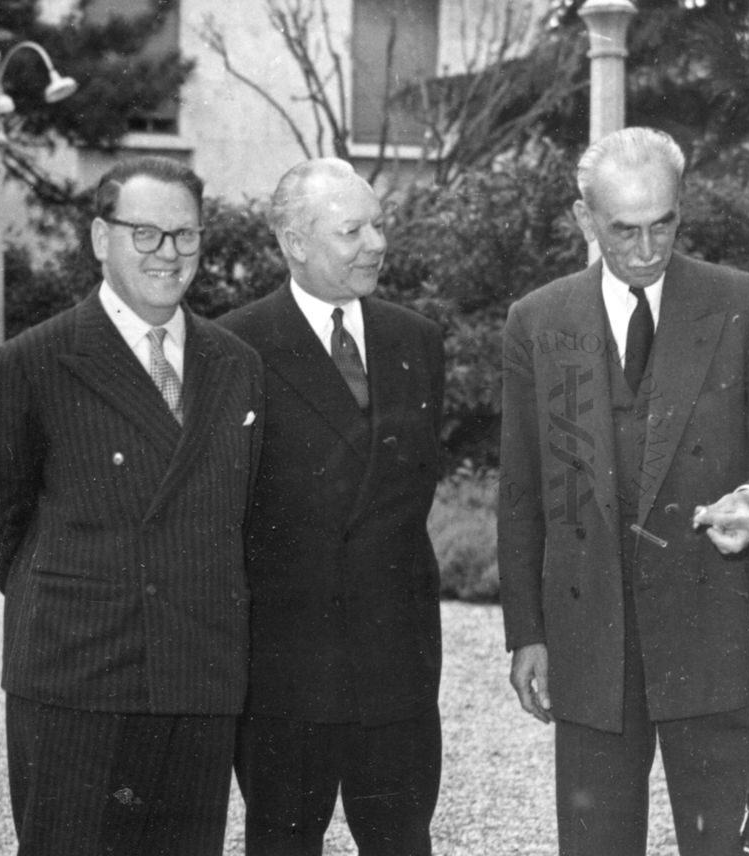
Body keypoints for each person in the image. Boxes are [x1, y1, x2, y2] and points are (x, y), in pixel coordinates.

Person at [497, 126, 749, 856]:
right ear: (586, 221)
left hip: (712, 639)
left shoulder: (746, 305)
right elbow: (521, 492)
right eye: (625, 230)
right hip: (591, 645)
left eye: (664, 225)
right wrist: (526, 632)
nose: (648, 250)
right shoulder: (538, 321)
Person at [0, 155, 263, 856]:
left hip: (196, 678)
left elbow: (244, 516)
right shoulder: (32, 362)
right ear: (100, 238)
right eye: (146, 233)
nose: (169, 254)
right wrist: (91, 595)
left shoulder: (237, 363)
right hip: (77, 678)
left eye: (186, 235)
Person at [218, 158, 444, 856]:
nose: (376, 243)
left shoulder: (417, 340)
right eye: (353, 230)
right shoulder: (233, 347)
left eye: (378, 224)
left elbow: (411, 494)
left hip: (396, 666)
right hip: (287, 675)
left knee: (402, 840)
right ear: (295, 243)